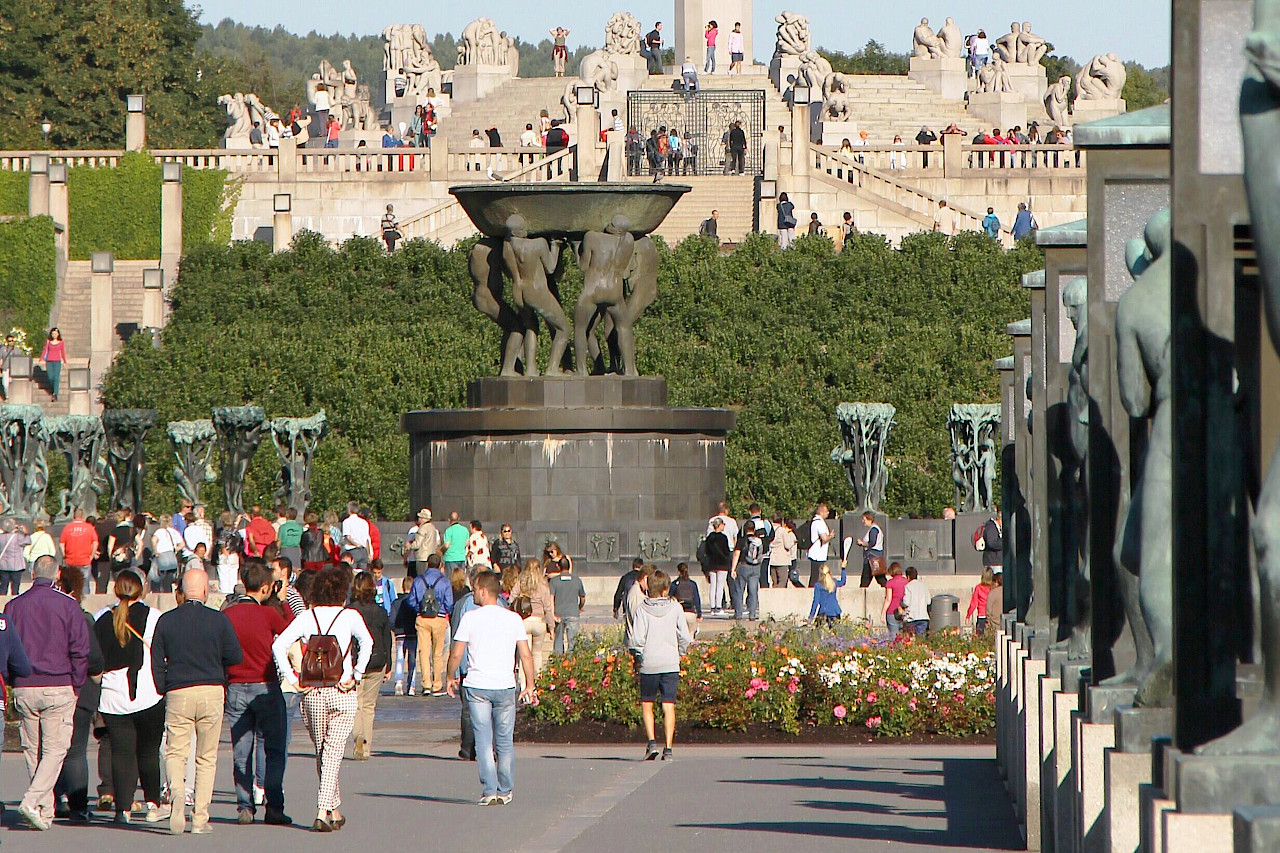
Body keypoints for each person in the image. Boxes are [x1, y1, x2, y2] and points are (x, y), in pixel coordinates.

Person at [272, 566, 373, 832]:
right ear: (343, 591)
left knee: (324, 752)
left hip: (313, 691)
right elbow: (368, 643)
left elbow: (278, 645)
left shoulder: (307, 617)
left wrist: (293, 679)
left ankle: (333, 809)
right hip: (342, 689)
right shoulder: (350, 615)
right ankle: (322, 810)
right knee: (333, 751)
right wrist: (359, 673)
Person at [152, 568, 242, 834]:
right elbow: (235, 655)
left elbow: (156, 660)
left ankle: (177, 792)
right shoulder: (219, 620)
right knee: (206, 757)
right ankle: (200, 816)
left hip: (178, 690)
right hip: (211, 690)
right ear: (205, 591)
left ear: (181, 591)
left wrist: (163, 687)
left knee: (175, 751)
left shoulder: (167, 621)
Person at [6, 554, 90, 830]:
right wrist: (76, 684)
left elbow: (5, 648)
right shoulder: (68, 606)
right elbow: (80, 649)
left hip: (25, 684)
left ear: (32, 573)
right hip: (58, 683)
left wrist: (12, 678)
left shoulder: (14, 606)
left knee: (32, 749)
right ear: (57, 575)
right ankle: (33, 801)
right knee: (55, 750)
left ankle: (44, 810)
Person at [446, 572, 535, 806]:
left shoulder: (470, 618)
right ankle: (505, 789)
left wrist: (449, 676)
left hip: (477, 685)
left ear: (484, 591)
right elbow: (525, 654)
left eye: (474, 589)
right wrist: (530, 684)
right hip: (505, 685)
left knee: (483, 741)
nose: (473, 593)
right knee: (504, 741)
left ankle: (489, 790)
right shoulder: (513, 618)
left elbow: (457, 652)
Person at [223, 560, 292, 825]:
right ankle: (273, 805)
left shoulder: (228, 614)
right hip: (265, 685)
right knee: (274, 748)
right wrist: (283, 600)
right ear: (265, 588)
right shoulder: (268, 614)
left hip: (236, 685)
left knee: (242, 751)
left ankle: (244, 805)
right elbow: (291, 631)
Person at [94, 569, 166, 825]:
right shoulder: (154, 617)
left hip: (113, 697)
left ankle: (122, 809)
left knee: (121, 753)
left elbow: (95, 658)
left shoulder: (101, 618)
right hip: (147, 693)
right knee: (147, 752)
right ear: (141, 590)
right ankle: (153, 804)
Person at [51, 566, 102, 825]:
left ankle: (54, 797)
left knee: (50, 748)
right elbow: (94, 658)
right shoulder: (82, 618)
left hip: (47, 684)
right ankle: (78, 806)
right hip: (78, 690)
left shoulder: (44, 613)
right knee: (76, 750)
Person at [629, 569, 692, 760]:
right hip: (670, 662)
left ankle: (651, 743)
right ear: (666, 589)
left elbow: (637, 639)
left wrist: (640, 656)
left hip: (650, 662)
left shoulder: (642, 609)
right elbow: (684, 636)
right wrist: (680, 652)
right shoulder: (675, 608)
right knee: (668, 704)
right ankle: (669, 748)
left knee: (647, 703)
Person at [349, 571, 393, 761]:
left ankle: (358, 735)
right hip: (377, 660)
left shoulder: (350, 611)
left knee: (355, 704)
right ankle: (366, 746)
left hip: (356, 661)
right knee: (369, 706)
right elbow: (387, 639)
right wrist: (389, 664)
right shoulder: (380, 611)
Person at [407, 553, 454, 696]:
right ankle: (437, 684)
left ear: (427, 564)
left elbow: (411, 601)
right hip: (439, 618)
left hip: (422, 618)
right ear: (440, 565)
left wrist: (419, 610)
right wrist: (443, 612)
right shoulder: (445, 581)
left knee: (424, 652)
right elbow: (449, 603)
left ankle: (426, 684)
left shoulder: (418, 580)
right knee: (438, 653)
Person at [510, 559, 554, 675]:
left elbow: (511, 598)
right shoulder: (543, 585)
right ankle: (538, 680)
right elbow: (548, 608)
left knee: (524, 655)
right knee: (537, 653)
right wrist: (552, 627)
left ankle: (524, 683)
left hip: (524, 621)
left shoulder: (521, 583)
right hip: (539, 621)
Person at [550, 553, 585, 653]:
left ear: (558, 566)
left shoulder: (554, 581)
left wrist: (552, 614)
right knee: (572, 641)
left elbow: (551, 598)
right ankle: (571, 663)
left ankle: (559, 662)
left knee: (558, 641)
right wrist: (579, 607)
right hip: (573, 612)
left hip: (558, 614)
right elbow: (582, 597)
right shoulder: (577, 580)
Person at [729, 520, 764, 620]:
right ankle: (752, 615)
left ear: (745, 529)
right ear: (754, 529)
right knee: (753, 591)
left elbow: (736, 554)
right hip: (756, 567)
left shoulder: (742, 540)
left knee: (739, 590)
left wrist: (733, 568)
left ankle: (738, 614)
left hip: (743, 566)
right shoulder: (758, 541)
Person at [702, 518, 732, 615]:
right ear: (720, 525)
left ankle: (712, 607)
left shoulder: (709, 537)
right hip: (722, 563)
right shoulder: (723, 538)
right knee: (720, 586)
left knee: (713, 586)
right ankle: (718, 607)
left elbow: (706, 551)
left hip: (712, 563)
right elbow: (726, 551)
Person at [150, 513, 183, 593]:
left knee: (156, 577)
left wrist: (155, 551)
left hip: (161, 555)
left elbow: (153, 540)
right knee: (168, 579)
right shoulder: (174, 532)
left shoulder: (159, 531)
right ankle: (167, 594)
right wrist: (175, 549)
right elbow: (182, 544)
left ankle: (157, 593)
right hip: (171, 556)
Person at [853, 511, 886, 588]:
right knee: (880, 579)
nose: (863, 521)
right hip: (875, 557)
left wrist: (862, 543)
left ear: (869, 519)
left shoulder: (873, 529)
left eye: (864, 519)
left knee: (866, 580)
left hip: (872, 558)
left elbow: (872, 543)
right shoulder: (875, 529)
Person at [0, 517, 31, 594]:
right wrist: (25, 533)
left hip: (3, 565)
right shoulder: (18, 537)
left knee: (3, 586)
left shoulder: (0, 537)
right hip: (15, 566)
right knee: (15, 587)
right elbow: (28, 541)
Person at [669, 562, 702, 636]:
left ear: (678, 571)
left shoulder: (674, 584)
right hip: (691, 613)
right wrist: (699, 614)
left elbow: (669, 598)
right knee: (690, 636)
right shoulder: (692, 584)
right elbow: (697, 599)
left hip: (679, 613)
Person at [807, 503, 835, 587]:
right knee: (816, 577)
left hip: (816, 553)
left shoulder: (815, 521)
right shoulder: (819, 522)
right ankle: (813, 592)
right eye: (826, 511)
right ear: (821, 512)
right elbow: (824, 538)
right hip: (818, 554)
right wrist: (831, 536)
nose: (828, 513)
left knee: (815, 575)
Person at [768, 514, 798, 587]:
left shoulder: (769, 530)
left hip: (772, 559)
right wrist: (793, 543)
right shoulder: (782, 531)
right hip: (782, 560)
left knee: (774, 582)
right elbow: (787, 545)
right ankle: (778, 597)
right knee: (782, 581)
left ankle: (773, 597)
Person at [341, 500, 372, 568]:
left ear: (349, 510)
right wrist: (369, 553)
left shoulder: (346, 522)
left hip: (352, 550)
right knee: (363, 574)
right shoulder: (364, 522)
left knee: (351, 572)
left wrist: (356, 544)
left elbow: (348, 537)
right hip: (363, 550)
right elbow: (366, 539)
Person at [902, 566, 932, 634]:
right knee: (920, 640)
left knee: (910, 640)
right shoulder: (924, 586)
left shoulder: (908, 586)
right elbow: (928, 601)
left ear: (908, 576)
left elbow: (906, 602)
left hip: (911, 617)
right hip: (923, 617)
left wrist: (901, 603)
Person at [883, 562, 909, 637]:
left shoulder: (890, 583)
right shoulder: (906, 581)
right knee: (904, 636)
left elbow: (888, 599)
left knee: (893, 635)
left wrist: (883, 613)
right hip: (904, 610)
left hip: (892, 611)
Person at [967, 567, 996, 636]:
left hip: (981, 616)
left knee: (980, 636)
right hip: (991, 616)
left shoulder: (978, 587)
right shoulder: (993, 588)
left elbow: (973, 603)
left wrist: (968, 615)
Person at [40, 327, 66, 401]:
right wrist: (41, 359)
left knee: (56, 377)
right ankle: (53, 388)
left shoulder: (61, 342)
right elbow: (45, 350)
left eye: (56, 333)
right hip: (49, 361)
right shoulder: (48, 342)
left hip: (57, 361)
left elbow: (63, 352)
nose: (54, 335)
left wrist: (64, 361)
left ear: (58, 334)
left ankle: (55, 393)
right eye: (53, 333)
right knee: (50, 377)